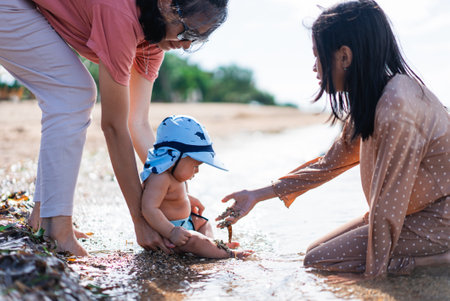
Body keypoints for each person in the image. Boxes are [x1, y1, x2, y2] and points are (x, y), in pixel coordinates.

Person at [216, 0, 449, 281]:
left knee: (321, 260)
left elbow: (387, 206)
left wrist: (374, 282)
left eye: (317, 56)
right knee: (316, 254)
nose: (314, 67)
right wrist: (256, 195)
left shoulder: (396, 105)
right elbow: (327, 165)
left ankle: (436, 261)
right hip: (416, 214)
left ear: (344, 57)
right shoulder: (375, 100)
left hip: (440, 218)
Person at [0, 0, 228, 256]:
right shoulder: (121, 13)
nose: (185, 44)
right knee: (73, 93)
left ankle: (45, 217)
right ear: (166, 3)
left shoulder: (153, 39)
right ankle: (57, 230)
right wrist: (140, 220)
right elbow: (113, 126)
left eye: (196, 39)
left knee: (69, 94)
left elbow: (138, 123)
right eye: (187, 31)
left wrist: (177, 192)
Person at [140, 115, 250, 259]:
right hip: (170, 235)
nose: (197, 171)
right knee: (196, 240)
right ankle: (227, 254)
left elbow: (170, 197)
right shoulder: (160, 178)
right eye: (195, 166)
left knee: (203, 223)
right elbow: (149, 208)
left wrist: (186, 198)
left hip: (185, 225)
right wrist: (171, 232)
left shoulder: (176, 176)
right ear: (176, 156)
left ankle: (212, 245)